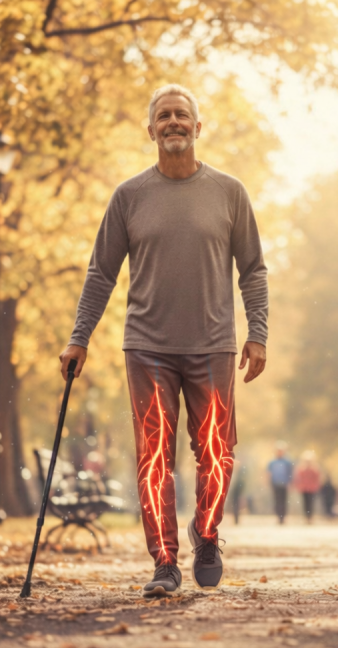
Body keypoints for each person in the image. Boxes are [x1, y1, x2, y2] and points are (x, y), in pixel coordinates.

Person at [59, 84, 269, 598]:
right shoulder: (129, 197)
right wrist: (78, 338)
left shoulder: (229, 192)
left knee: (217, 452)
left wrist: (258, 333)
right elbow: (100, 273)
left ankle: (207, 534)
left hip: (214, 344)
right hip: (147, 347)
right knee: (154, 456)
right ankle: (165, 562)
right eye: (163, 116)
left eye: (182, 115)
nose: (173, 122)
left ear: (198, 128)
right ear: (150, 130)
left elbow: (254, 271)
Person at [268, 443, 294, 524]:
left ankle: (283, 517)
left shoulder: (287, 462)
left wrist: (290, 483)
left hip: (284, 484)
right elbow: (268, 473)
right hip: (275, 484)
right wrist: (268, 482)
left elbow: (290, 473)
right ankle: (278, 516)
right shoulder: (272, 462)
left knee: (284, 501)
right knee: (277, 501)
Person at [292, 451, 322, 523]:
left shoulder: (314, 469)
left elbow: (318, 478)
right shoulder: (301, 469)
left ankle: (310, 517)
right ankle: (306, 516)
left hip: (312, 489)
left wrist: (317, 486)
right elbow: (298, 478)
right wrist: (297, 486)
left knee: (311, 503)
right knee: (305, 503)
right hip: (304, 488)